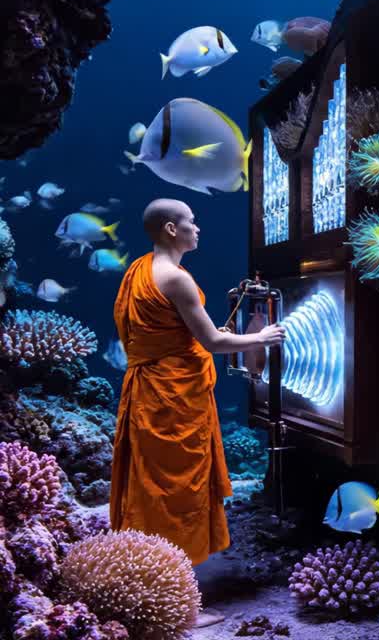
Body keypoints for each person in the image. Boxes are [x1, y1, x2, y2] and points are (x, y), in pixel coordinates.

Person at [109, 199, 285, 627]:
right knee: (176, 494)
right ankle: (177, 606)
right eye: (192, 221)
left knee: (151, 491)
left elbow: (169, 336)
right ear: (172, 229)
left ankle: (147, 586)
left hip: (147, 392)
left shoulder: (140, 270)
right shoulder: (176, 279)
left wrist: (201, 337)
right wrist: (261, 336)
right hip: (173, 399)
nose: (198, 228)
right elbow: (212, 343)